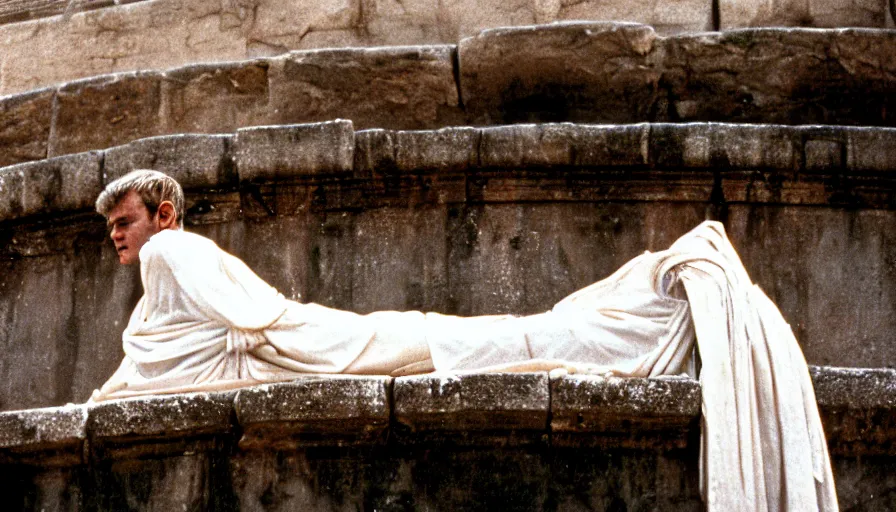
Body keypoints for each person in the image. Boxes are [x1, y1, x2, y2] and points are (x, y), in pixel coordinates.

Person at [93, 169, 837, 511]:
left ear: (163, 214)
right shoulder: (168, 262)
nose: (117, 237)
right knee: (481, 339)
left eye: (124, 221)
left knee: (485, 344)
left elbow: (246, 320)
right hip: (314, 340)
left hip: (312, 345)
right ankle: (629, 311)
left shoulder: (169, 251)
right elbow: (164, 349)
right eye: (111, 229)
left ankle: (646, 310)